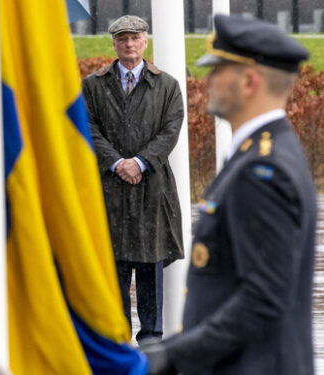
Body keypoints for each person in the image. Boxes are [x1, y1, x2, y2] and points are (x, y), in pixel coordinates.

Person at [142, 15, 316, 375]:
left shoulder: (261, 171)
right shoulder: (264, 154)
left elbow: (264, 300)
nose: (207, 81)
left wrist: (172, 356)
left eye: (218, 70)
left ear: (249, 81)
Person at [82, 15, 184, 344]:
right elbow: (88, 127)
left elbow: (171, 130)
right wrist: (116, 163)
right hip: (109, 188)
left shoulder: (166, 85)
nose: (129, 44)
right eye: (123, 39)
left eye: (135, 38)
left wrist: (140, 163)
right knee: (114, 268)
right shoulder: (94, 85)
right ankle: (118, 340)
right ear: (113, 43)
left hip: (152, 188)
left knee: (151, 264)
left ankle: (152, 342)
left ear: (145, 41)